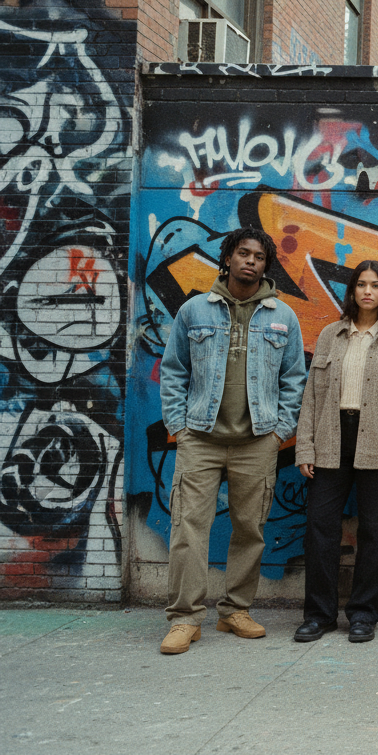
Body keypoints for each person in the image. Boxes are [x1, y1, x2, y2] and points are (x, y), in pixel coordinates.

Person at [158, 227, 306, 654]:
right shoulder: (194, 311)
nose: (250, 262)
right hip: (200, 438)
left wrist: (281, 429)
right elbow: (174, 371)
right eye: (243, 253)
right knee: (189, 527)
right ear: (227, 258)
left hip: (257, 440)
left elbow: (294, 377)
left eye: (259, 257)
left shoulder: (283, 316)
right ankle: (185, 618)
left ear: (266, 265)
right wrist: (179, 426)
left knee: (250, 528)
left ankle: (234, 610)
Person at [293, 261, 378, 644]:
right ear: (351, 291)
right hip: (331, 441)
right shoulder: (331, 335)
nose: (367, 291)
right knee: (319, 529)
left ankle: (364, 615)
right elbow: (312, 398)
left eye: (375, 285)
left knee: (375, 532)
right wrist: (305, 447)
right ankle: (319, 615)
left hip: (377, 446)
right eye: (361, 285)